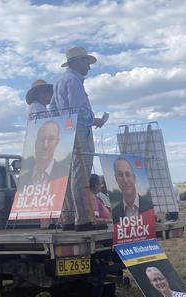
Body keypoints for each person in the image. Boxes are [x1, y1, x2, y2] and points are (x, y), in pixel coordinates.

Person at [50, 47, 107, 232]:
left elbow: (52, 109)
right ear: (77, 62)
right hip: (78, 129)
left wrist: (61, 124)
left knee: (68, 175)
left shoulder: (60, 81)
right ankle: (82, 219)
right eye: (86, 62)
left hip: (65, 130)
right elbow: (77, 109)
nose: (89, 67)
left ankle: (68, 217)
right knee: (80, 173)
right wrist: (94, 119)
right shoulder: (73, 81)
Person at [19, 121, 70, 186]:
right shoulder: (23, 179)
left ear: (57, 143)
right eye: (42, 139)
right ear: (36, 142)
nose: (45, 146)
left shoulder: (65, 175)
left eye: (51, 139)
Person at [110, 158, 153, 223]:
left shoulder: (150, 207)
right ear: (116, 179)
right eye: (120, 175)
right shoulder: (114, 212)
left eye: (128, 174)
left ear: (134, 178)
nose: (125, 180)